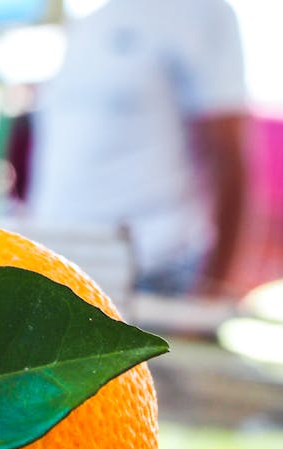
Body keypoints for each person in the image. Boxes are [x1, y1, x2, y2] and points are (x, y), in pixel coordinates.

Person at [27, 0, 248, 296]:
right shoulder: (88, 23)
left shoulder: (202, 11)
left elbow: (229, 157)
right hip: (58, 266)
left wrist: (212, 291)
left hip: (151, 272)